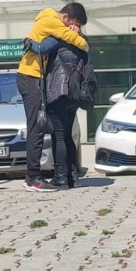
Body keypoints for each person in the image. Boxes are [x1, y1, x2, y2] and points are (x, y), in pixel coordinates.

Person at [17, 3, 89, 192]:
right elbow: (79, 43)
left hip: (38, 78)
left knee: (47, 130)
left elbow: (45, 46)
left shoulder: (51, 24)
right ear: (65, 18)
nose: (73, 28)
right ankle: (32, 178)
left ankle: (39, 176)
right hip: (30, 77)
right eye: (73, 24)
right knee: (37, 128)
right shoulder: (52, 21)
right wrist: (79, 37)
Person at [43, 36, 91, 189]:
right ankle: (73, 177)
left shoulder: (56, 43)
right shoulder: (80, 46)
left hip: (58, 93)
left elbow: (41, 49)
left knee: (59, 136)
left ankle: (60, 177)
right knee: (68, 135)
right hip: (73, 95)